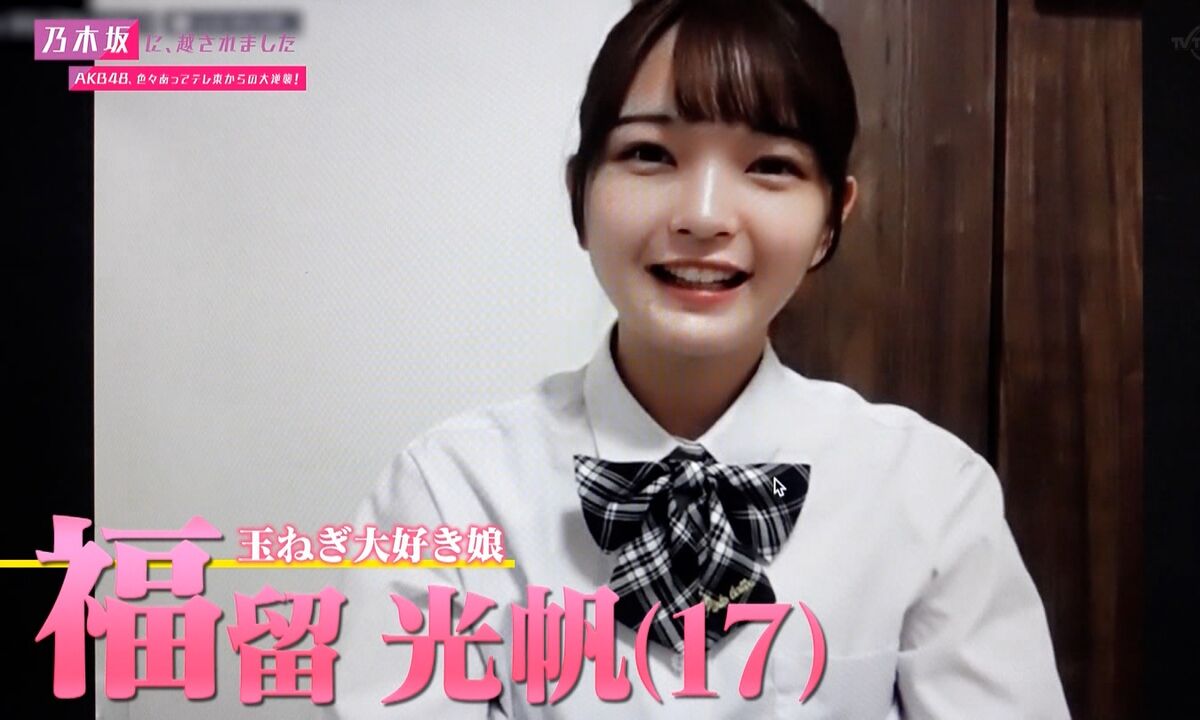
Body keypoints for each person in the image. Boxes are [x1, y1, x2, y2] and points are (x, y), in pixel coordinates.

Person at [326, 1, 1070, 717]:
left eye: (770, 164)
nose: (705, 216)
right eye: (650, 154)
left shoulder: (930, 494)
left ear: (830, 220)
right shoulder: (448, 493)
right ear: (579, 193)